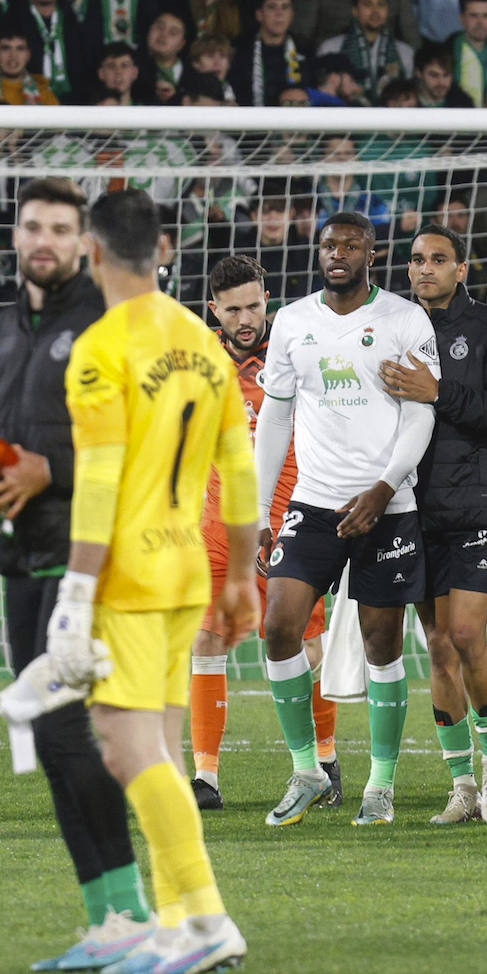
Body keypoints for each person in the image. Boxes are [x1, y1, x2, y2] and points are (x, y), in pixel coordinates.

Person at [50, 188, 255, 969]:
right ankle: (175, 923)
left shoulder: (101, 348)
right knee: (163, 752)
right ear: (163, 250)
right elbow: (240, 468)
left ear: (91, 252)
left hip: (130, 579)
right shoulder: (203, 342)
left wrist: (75, 593)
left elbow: (100, 484)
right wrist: (241, 576)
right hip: (188, 569)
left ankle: (207, 919)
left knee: (128, 752)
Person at [0, 178, 158, 972]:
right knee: (52, 737)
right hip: (20, 559)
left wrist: (48, 470)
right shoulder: (5, 328)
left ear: (84, 243)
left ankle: (134, 914)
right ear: (17, 234)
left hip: (89, 561)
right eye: (33, 226)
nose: (45, 241)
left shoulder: (107, 323)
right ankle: (107, 920)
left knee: (71, 732)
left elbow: (140, 442)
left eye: (60, 229)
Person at [255, 211, 439, 828]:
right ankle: (307, 769)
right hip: (313, 503)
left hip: (388, 505)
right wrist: (261, 510)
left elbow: (421, 412)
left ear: (371, 255)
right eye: (329, 245)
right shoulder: (292, 321)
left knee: (382, 645)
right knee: (279, 627)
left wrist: (385, 488)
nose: (338, 254)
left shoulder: (404, 320)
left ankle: (380, 785)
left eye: (351, 246)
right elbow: (275, 418)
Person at [382, 224, 487, 824]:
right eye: (417, 259)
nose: (426, 268)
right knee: (438, 644)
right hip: (414, 506)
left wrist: (438, 391)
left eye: (439, 259)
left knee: (467, 634)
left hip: (477, 504)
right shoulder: (394, 329)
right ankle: (462, 783)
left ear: (461, 269)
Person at [188, 256, 336, 813]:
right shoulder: (197, 359)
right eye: (233, 310)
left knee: (306, 644)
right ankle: (205, 777)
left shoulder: (296, 347)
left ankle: (324, 759)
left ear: (267, 300)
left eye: (253, 306)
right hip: (219, 527)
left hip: (290, 524)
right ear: (214, 310)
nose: (245, 319)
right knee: (207, 640)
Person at [316, 0, 416, 101]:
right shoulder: (331, 48)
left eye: (381, 5)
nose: (375, 11)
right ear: (355, 11)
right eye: (368, 4)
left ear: (387, 11)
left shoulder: (405, 53)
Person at [230, 0, 308, 107]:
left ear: (292, 15)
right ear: (259, 15)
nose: (279, 13)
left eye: (285, 7)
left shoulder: (304, 48)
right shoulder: (241, 49)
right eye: (272, 7)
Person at [446, 0, 487, 106]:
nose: (480, 22)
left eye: (486, 16)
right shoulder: (447, 50)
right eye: (474, 16)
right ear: (462, 19)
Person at [0, 25, 58, 104]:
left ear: (28, 55)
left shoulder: (43, 91)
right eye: (6, 48)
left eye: (20, 48)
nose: (13, 56)